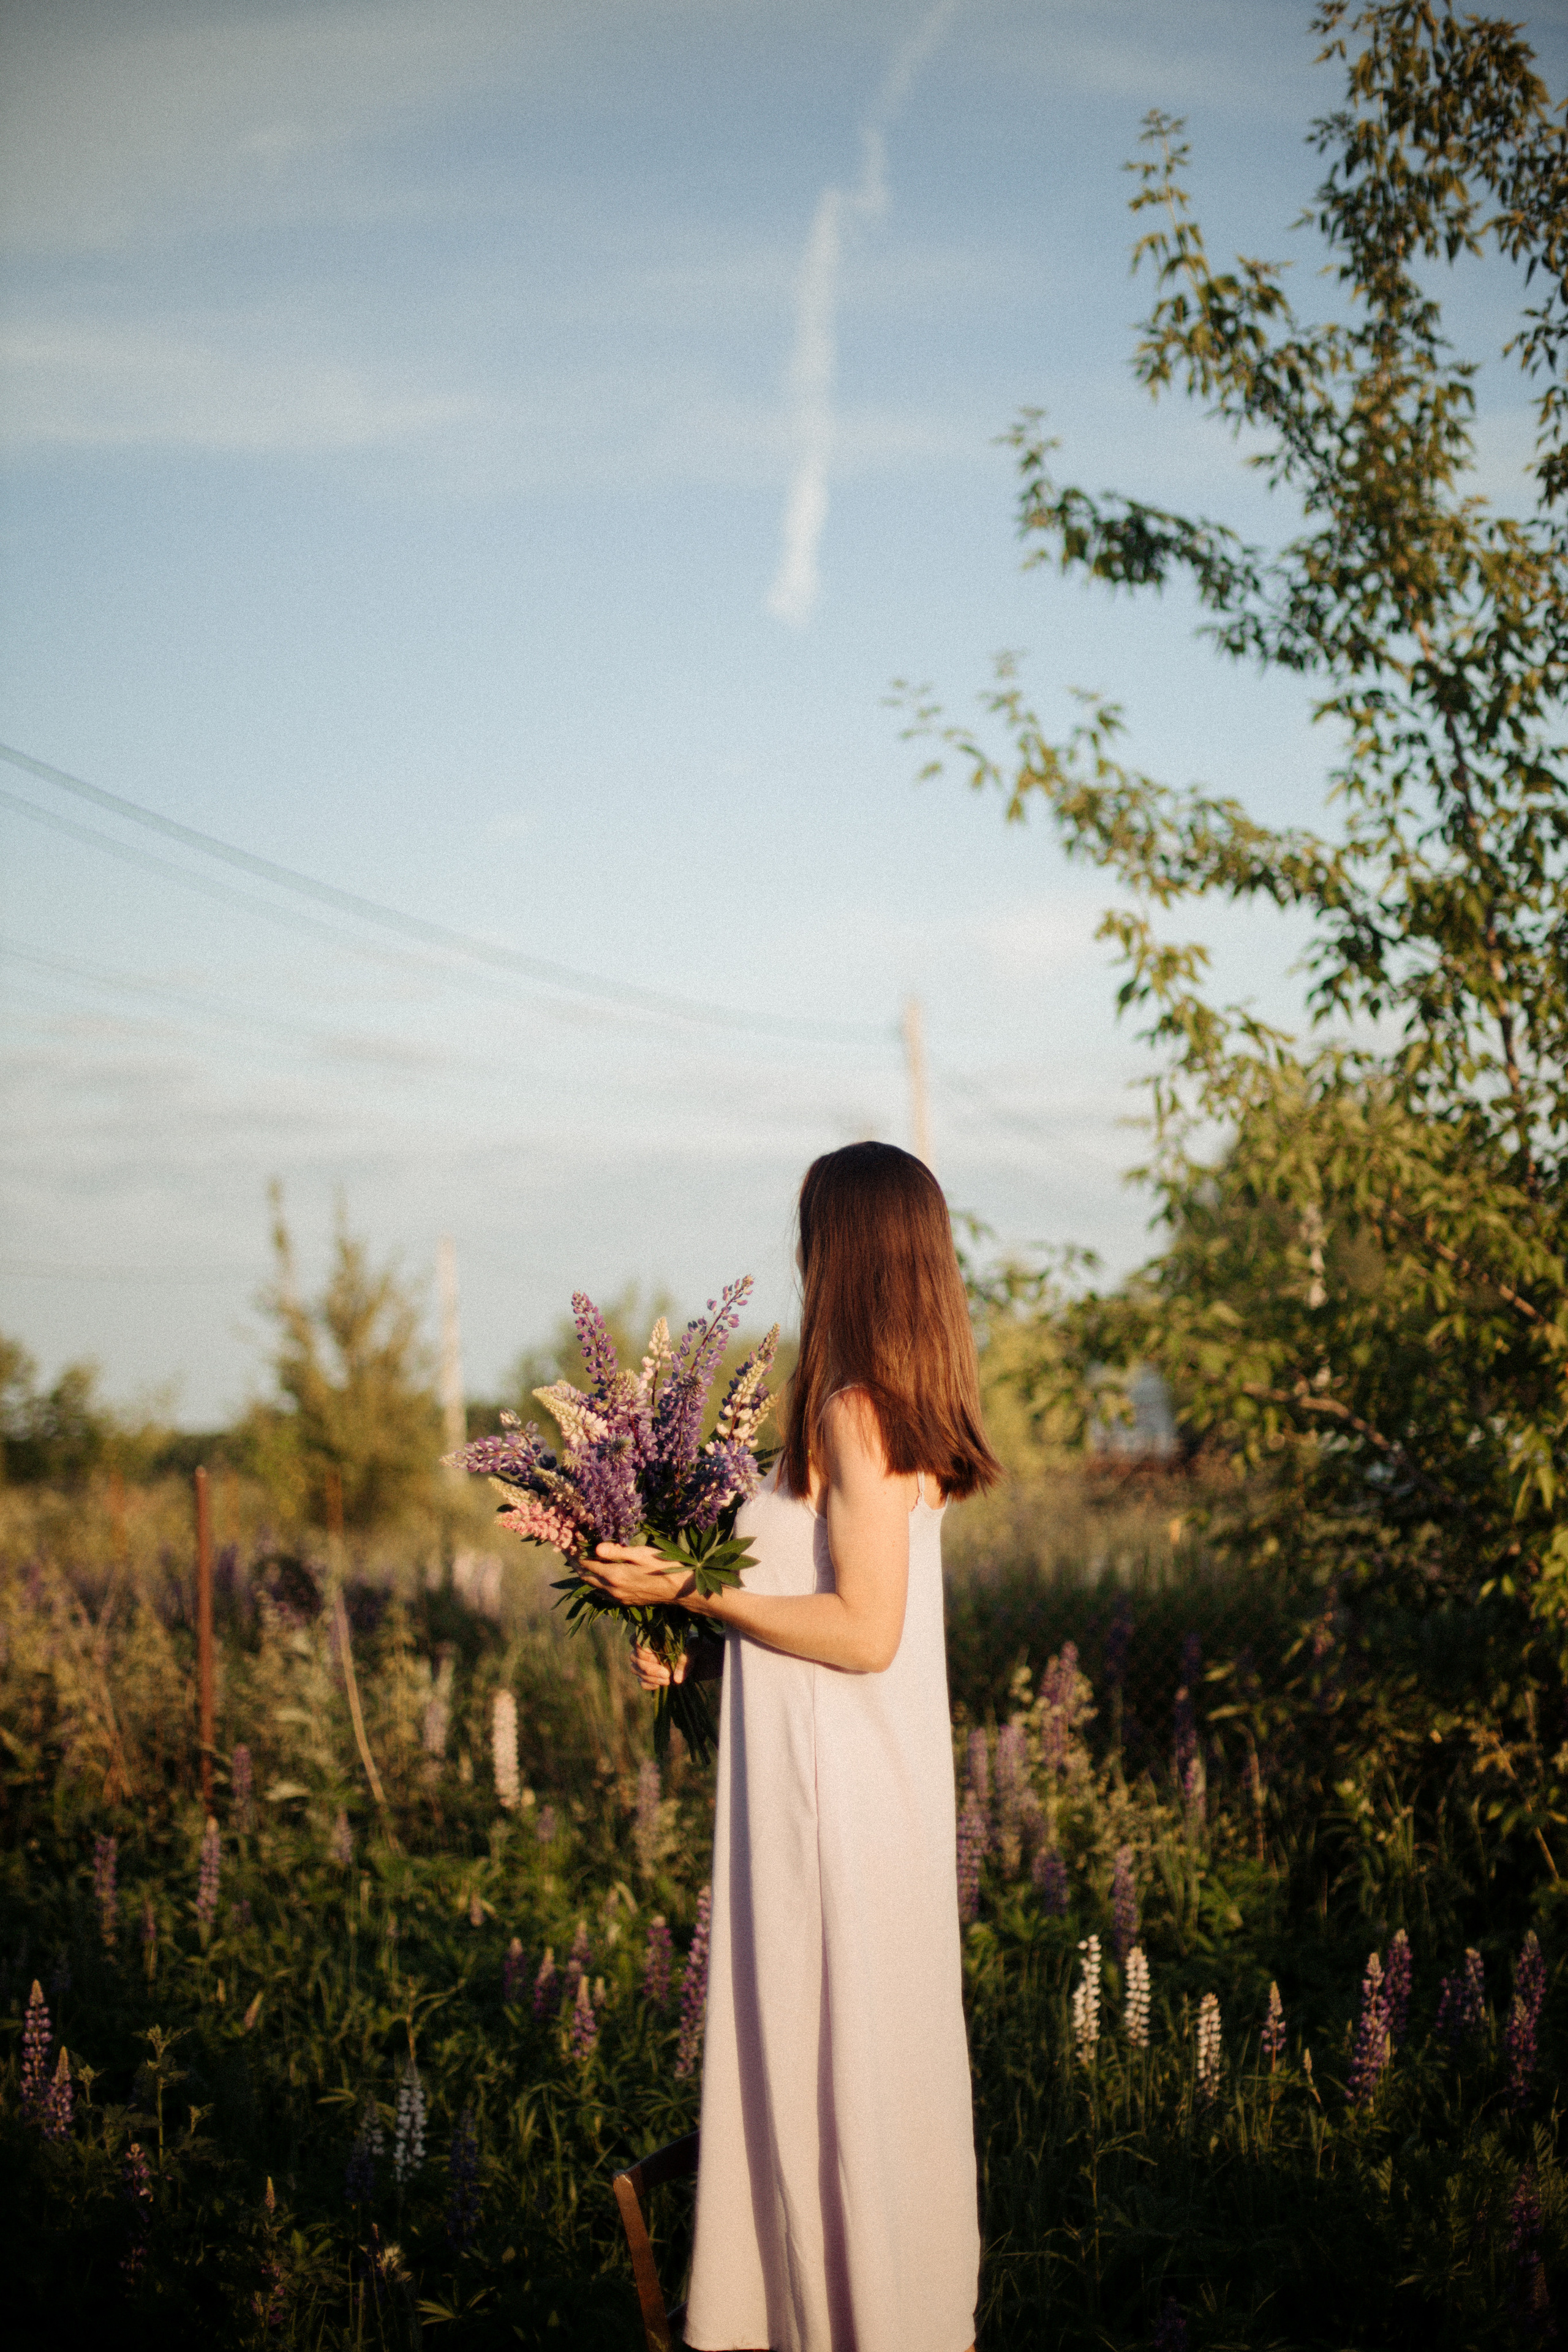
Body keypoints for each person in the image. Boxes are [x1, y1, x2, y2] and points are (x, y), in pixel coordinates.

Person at [583, 1140, 1000, 2352]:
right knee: (840, 2079)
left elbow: (864, 1633)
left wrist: (695, 1593)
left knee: (841, 2073)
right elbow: (812, 1608)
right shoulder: (879, 1417)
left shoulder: (857, 1414)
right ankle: (833, 2310)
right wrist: (689, 1639)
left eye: (811, 1231)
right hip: (839, 1796)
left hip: (837, 1817)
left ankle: (848, 2323)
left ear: (846, 1249)